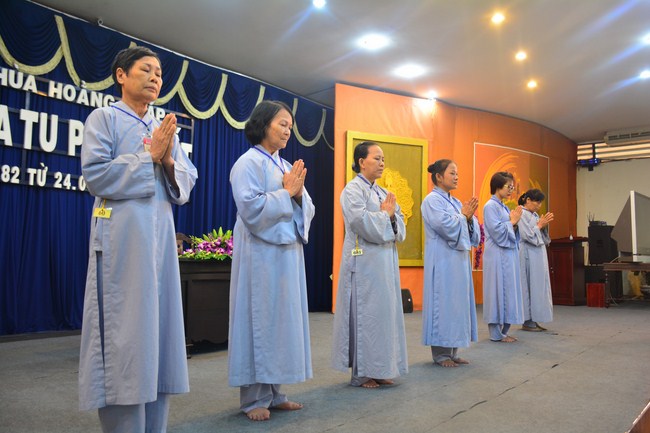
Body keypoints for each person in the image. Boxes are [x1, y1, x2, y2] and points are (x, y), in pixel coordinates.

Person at [78, 46, 198, 432]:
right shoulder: (105, 119)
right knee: (126, 333)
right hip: (123, 242)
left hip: (160, 242)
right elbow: (96, 175)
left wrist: (167, 159)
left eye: (159, 73)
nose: (154, 78)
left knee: (157, 334)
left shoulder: (162, 128)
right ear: (121, 75)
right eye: (146, 70)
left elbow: (186, 182)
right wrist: (149, 158)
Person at [228, 100, 315, 421]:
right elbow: (250, 208)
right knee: (260, 319)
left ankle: (277, 393)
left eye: (290, 126)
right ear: (263, 124)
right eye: (282, 124)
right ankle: (253, 399)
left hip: (287, 253)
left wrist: (296, 194)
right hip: (260, 254)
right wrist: (286, 194)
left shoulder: (285, 165)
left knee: (280, 321)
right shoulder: (247, 163)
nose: (287, 130)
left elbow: (307, 208)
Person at [331, 141, 408, 388]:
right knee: (366, 315)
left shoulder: (383, 192)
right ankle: (362, 373)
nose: (382, 163)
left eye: (383, 159)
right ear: (361, 161)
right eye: (377, 158)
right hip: (364, 263)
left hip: (384, 264)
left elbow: (400, 224)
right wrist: (386, 215)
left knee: (383, 316)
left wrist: (392, 217)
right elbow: (359, 221)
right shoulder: (352, 190)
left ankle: (380, 368)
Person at [421, 160, 480, 367]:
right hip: (443, 260)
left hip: (459, 261)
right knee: (443, 303)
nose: (456, 177)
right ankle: (441, 354)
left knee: (457, 304)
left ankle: (453, 351)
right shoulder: (431, 201)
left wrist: (469, 219)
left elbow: (472, 231)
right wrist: (464, 217)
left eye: (457, 173)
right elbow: (444, 226)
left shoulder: (455, 202)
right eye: (452, 173)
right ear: (439, 177)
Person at [482, 171, 524, 343]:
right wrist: (512, 222)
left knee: (508, 290)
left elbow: (510, 229)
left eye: (512, 187)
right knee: (496, 291)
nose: (511, 190)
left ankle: (504, 331)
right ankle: (495, 333)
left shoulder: (504, 207)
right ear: (498, 186)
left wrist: (515, 224)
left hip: (507, 254)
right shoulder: (490, 206)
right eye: (509, 187)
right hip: (496, 254)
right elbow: (496, 231)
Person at [518, 189, 554, 331]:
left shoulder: (534, 215)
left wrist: (542, 226)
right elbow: (526, 235)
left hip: (538, 254)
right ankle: (527, 321)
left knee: (538, 285)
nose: (539, 205)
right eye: (537, 202)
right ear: (528, 200)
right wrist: (539, 226)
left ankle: (536, 318)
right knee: (529, 285)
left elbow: (541, 235)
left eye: (540, 203)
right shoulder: (521, 213)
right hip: (528, 254)